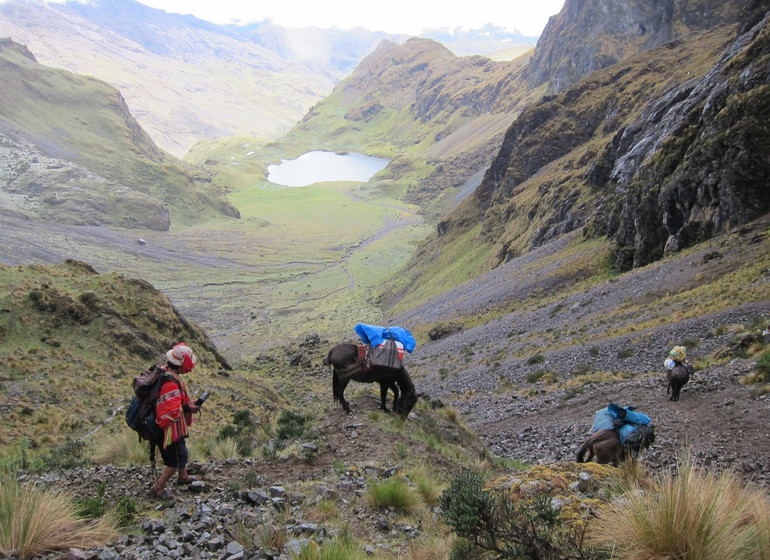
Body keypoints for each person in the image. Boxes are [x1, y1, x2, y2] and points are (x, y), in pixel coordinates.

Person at [150, 343, 202, 498]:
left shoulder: (166, 373)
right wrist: (189, 408)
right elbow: (170, 411)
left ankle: (183, 476)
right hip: (166, 429)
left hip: (174, 428)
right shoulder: (170, 383)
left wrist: (186, 405)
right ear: (181, 366)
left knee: (182, 451)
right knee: (172, 461)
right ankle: (158, 488)